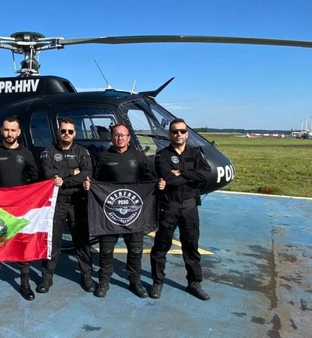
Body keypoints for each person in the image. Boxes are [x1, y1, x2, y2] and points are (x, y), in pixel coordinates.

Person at [83, 124, 164, 298]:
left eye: (123, 135)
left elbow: (149, 178)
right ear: (111, 137)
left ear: (129, 138)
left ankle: (135, 281)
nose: (120, 138)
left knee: (135, 250)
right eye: (116, 135)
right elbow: (95, 181)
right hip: (109, 214)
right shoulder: (103, 157)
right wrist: (89, 186)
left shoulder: (138, 156)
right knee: (105, 251)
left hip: (133, 214)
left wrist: (158, 184)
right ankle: (104, 281)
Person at [0, 116, 39, 302]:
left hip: (20, 207)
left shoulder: (26, 153)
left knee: (22, 244)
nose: (9, 133)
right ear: (1, 131)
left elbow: (35, 180)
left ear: (19, 132)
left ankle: (25, 282)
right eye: (6, 130)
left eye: (13, 130)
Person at [149, 118, 211, 301]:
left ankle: (194, 282)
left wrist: (181, 173)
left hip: (189, 207)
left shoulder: (195, 153)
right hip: (169, 207)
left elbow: (205, 174)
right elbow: (168, 177)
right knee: (161, 247)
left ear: (187, 133)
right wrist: (188, 176)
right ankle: (157, 281)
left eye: (182, 131)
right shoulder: (162, 155)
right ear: (169, 134)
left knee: (191, 246)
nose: (179, 134)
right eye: (175, 131)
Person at [37, 118, 94, 294]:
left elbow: (87, 173)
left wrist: (64, 179)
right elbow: (48, 173)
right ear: (58, 132)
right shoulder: (49, 152)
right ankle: (47, 278)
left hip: (77, 202)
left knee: (82, 241)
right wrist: (73, 172)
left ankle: (87, 276)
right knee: (52, 241)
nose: (66, 134)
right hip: (56, 202)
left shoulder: (82, 152)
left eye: (70, 131)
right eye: (63, 131)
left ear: (75, 133)